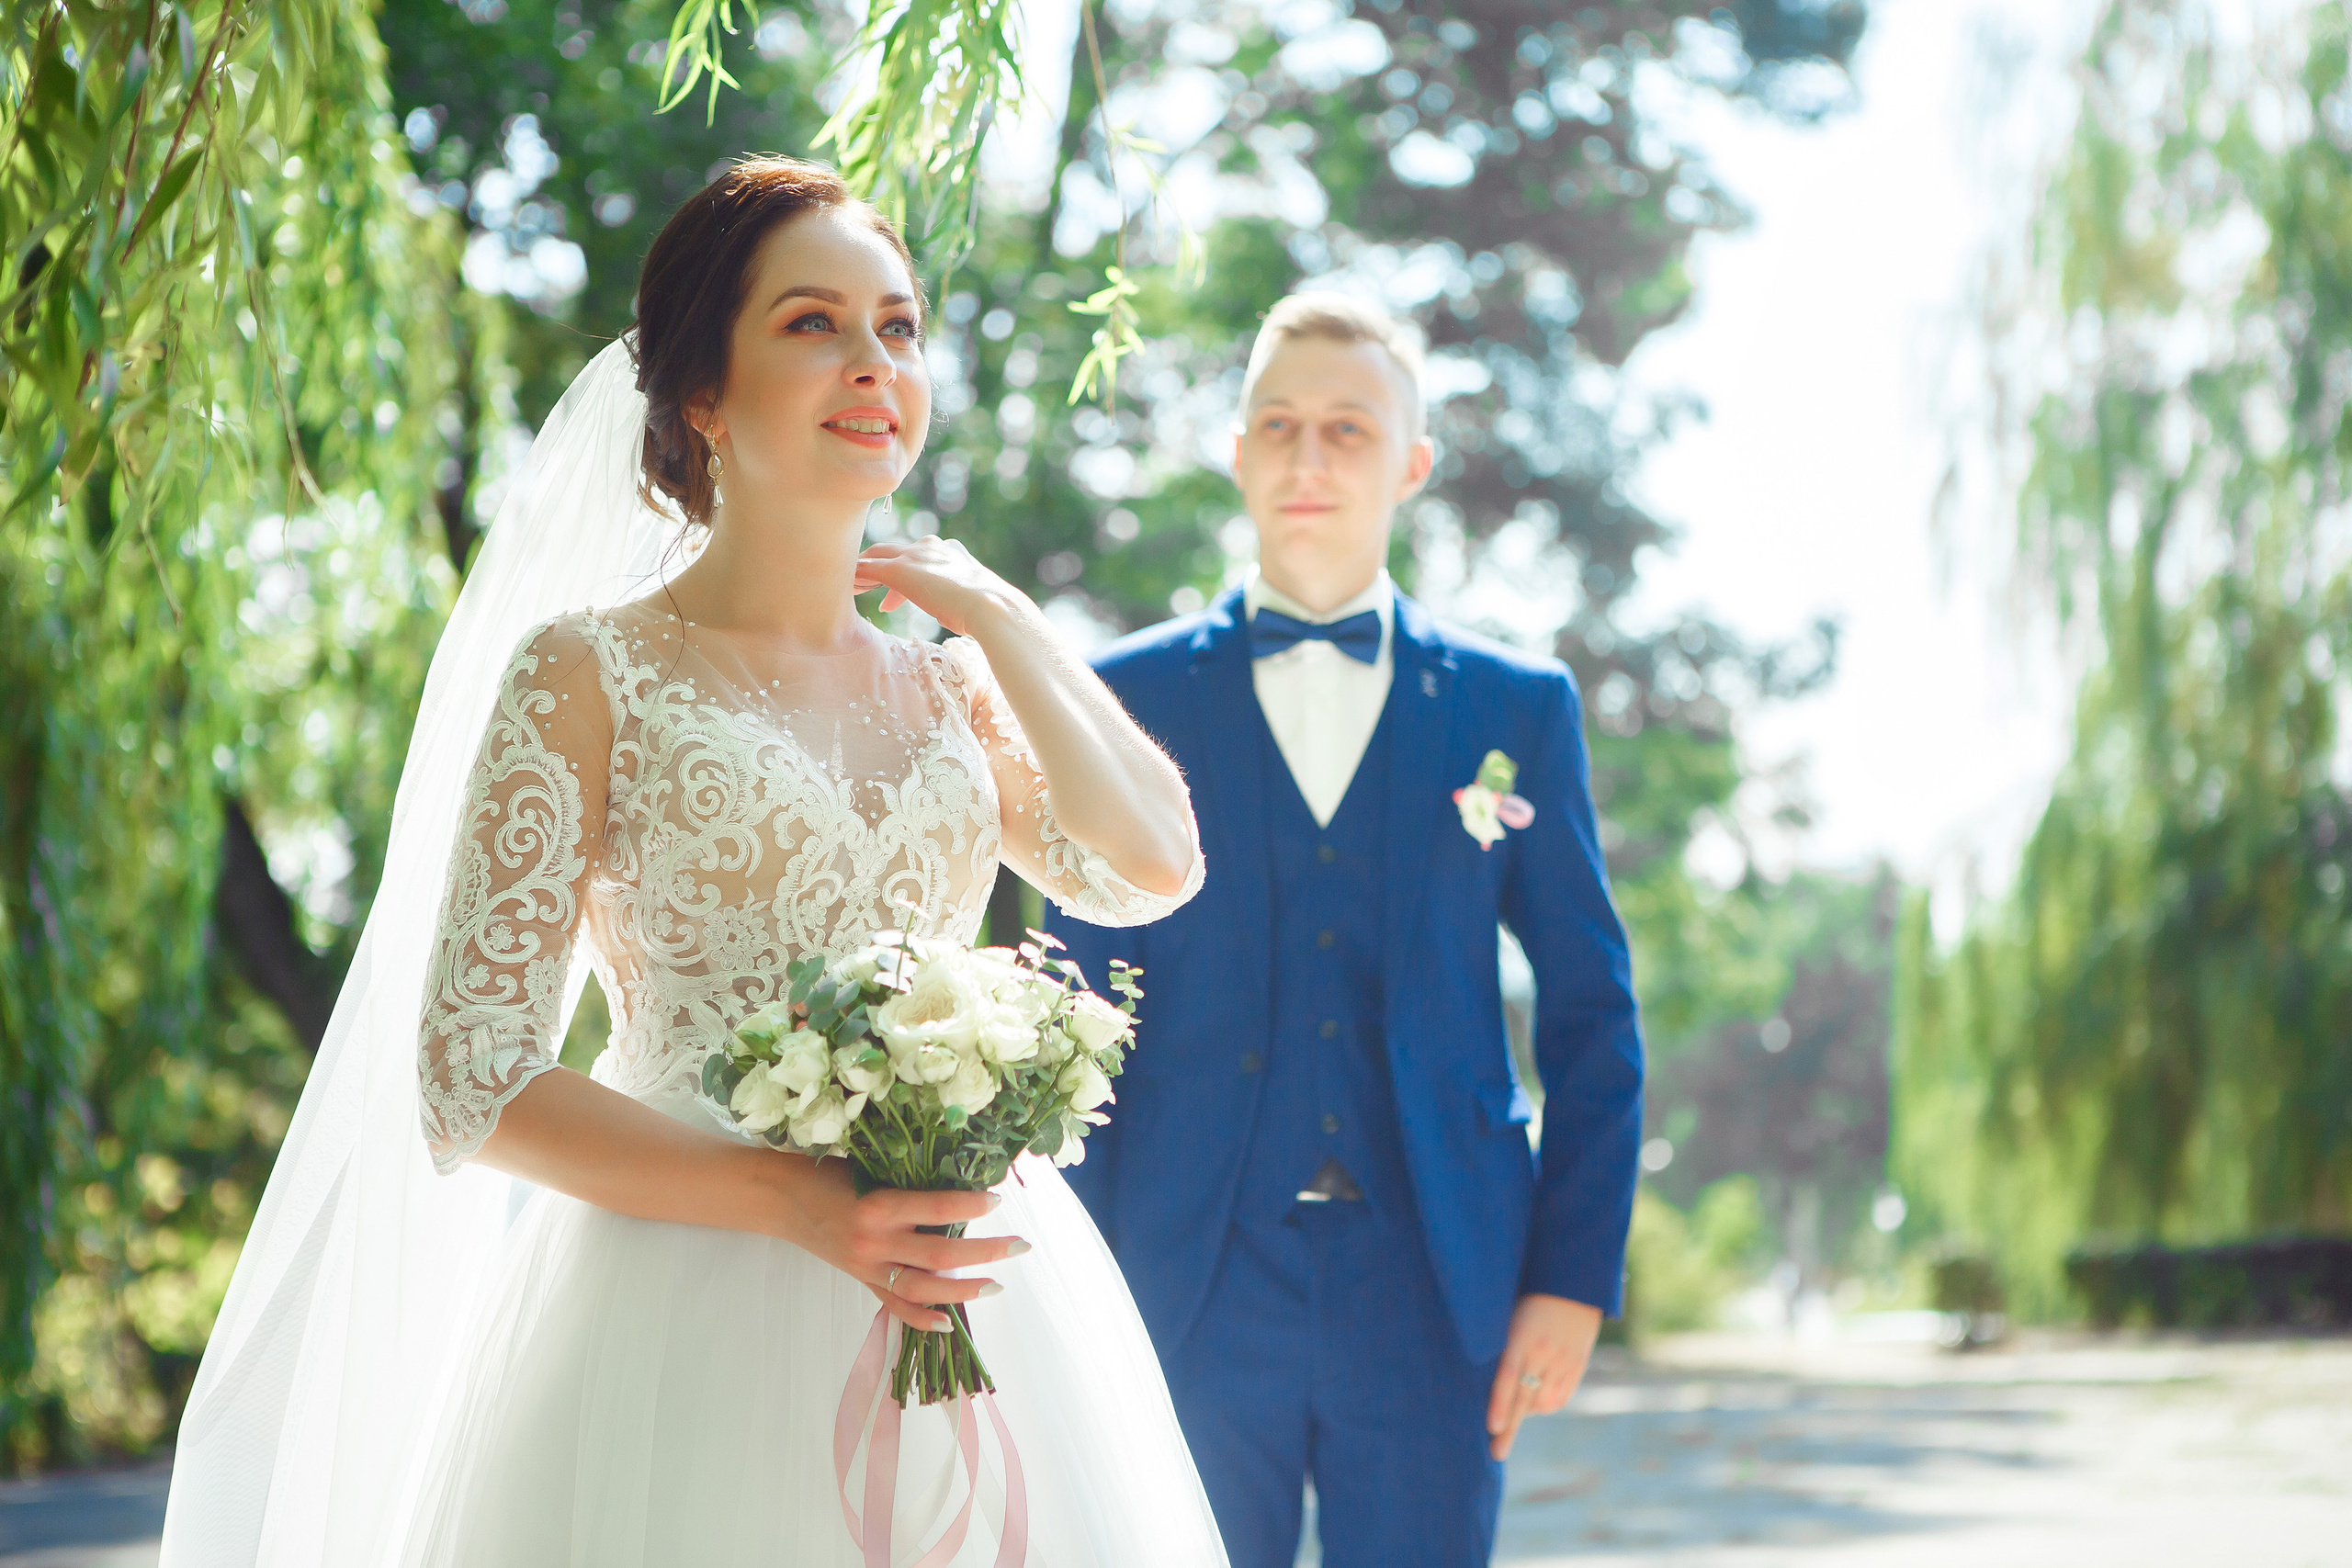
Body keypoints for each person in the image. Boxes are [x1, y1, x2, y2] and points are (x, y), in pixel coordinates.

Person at [159, 158, 1228, 1567]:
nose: (873, 363)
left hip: (976, 1289)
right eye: (812, 323)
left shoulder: (959, 689)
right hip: (678, 1309)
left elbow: (1153, 869)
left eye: (899, 327)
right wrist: (803, 1204)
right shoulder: (587, 674)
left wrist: (1005, 621)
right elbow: (473, 1077)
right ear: (702, 397)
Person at [1052, 294, 1645, 1566]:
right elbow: (1072, 1025)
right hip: (1186, 1281)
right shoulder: (1118, 696)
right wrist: (1068, 1299)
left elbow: (1595, 1015)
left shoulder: (1516, 707)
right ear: (1237, 451)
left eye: (1346, 429)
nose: (1308, 459)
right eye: (1277, 425)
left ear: (1411, 464)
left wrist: (1571, 1278)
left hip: (1440, 1287)